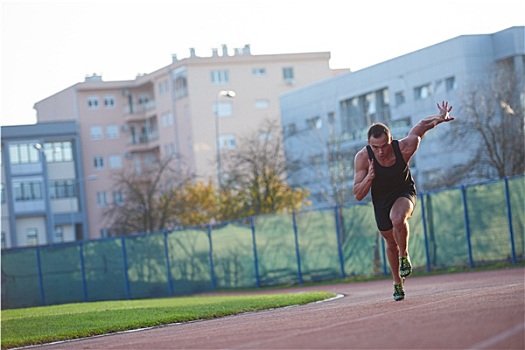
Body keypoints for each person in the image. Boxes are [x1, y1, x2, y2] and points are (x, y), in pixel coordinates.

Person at [353, 101, 455, 301]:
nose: (381, 152)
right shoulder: (363, 158)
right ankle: (397, 283)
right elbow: (357, 194)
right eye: (376, 147)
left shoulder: (405, 147)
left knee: (398, 218)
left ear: (391, 139)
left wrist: (439, 117)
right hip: (380, 199)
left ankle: (405, 256)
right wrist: (370, 177)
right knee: (391, 243)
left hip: (403, 191)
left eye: (384, 146)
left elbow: (420, 126)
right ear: (369, 144)